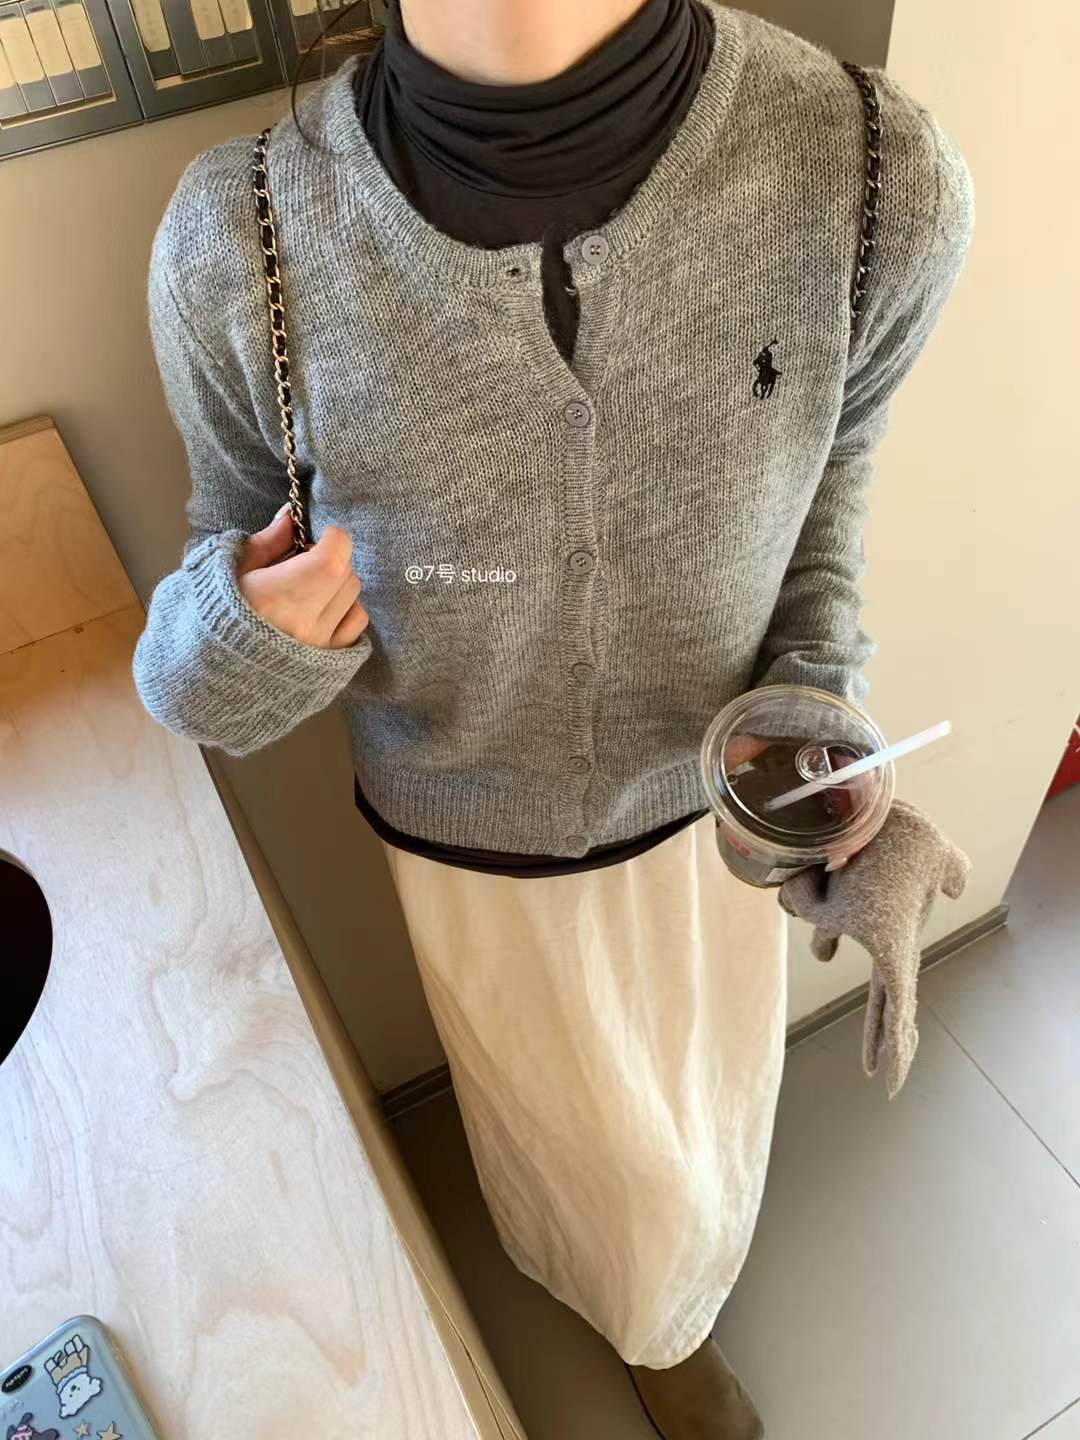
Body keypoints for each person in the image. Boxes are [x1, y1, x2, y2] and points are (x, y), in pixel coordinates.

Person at [132, 0, 975, 1433]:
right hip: (469, 852)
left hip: (712, 824)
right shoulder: (243, 242)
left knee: (702, 1121)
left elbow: (825, 512)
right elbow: (192, 673)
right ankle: (645, 1319)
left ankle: (675, 1302)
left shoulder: (871, 172)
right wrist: (245, 630)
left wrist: (832, 772)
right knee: (555, 1138)